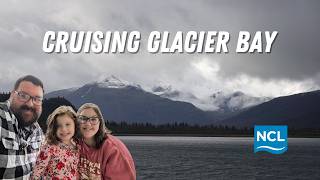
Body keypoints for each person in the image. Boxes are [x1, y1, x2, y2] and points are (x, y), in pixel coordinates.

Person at [0, 75, 44, 179]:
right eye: (23, 96)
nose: (30, 104)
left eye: (37, 99)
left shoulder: (37, 131)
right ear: (12, 95)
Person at [77, 103, 136, 180]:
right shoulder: (75, 144)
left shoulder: (114, 150)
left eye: (93, 119)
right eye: (83, 119)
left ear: (100, 122)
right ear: (77, 122)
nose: (88, 123)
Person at [30, 106, 79, 179]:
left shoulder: (77, 145)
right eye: (59, 126)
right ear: (54, 128)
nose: (64, 129)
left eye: (68, 124)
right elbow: (37, 172)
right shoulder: (49, 147)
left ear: (75, 124)